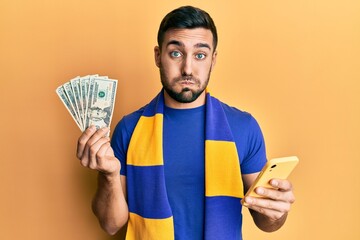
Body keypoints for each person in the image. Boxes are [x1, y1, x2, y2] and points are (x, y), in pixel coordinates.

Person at [76, 6, 295, 240]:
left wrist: (277, 212)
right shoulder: (129, 128)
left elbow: (266, 223)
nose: (187, 68)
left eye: (200, 55)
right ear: (158, 56)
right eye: (176, 53)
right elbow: (110, 225)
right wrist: (108, 175)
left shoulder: (243, 127)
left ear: (213, 59)